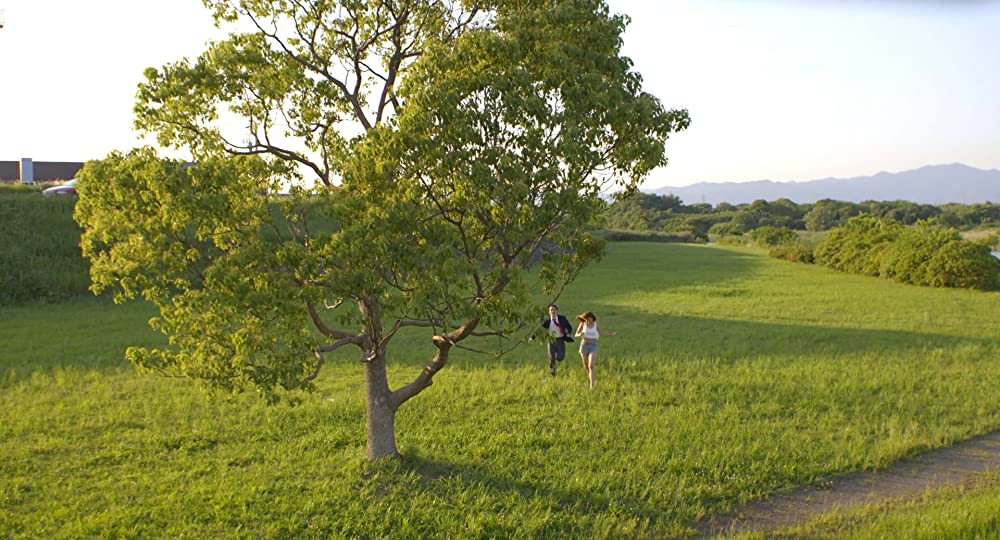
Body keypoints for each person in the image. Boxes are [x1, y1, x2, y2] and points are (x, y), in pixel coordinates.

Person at [575, 311, 616, 389]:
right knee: (586, 367)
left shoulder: (595, 324)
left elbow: (600, 333)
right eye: (586, 319)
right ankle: (590, 376)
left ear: (592, 319)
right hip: (584, 346)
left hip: (593, 346)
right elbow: (576, 334)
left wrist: (610, 334)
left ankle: (592, 386)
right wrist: (580, 334)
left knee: (591, 366)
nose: (588, 321)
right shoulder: (582, 324)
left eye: (590, 319)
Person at [541, 304, 574, 376]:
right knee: (551, 357)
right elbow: (540, 330)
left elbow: (569, 326)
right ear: (549, 312)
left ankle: (558, 359)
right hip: (551, 340)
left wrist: (569, 332)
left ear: (556, 311)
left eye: (553, 309)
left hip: (560, 340)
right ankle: (552, 372)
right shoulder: (547, 321)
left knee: (561, 356)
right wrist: (532, 337)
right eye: (550, 310)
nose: (552, 311)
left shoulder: (562, 319)